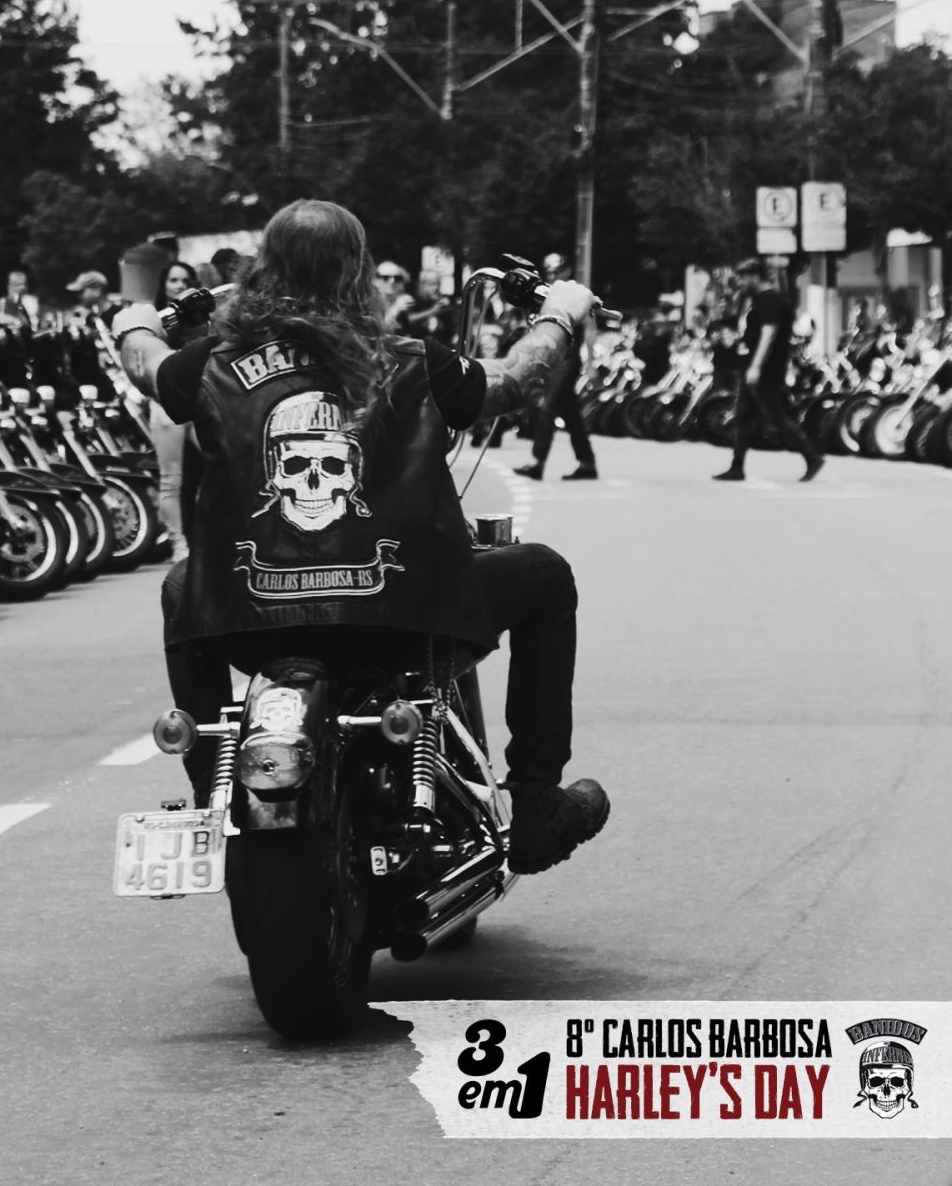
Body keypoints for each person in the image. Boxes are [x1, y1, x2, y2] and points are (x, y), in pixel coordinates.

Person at [112, 199, 610, 876]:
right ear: (359, 272)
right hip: (400, 622)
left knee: (181, 585)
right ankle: (536, 804)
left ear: (262, 270)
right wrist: (559, 314)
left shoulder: (211, 364)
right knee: (545, 576)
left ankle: (212, 791)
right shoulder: (412, 360)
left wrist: (135, 322)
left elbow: (146, 364)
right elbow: (516, 380)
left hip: (252, 626)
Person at [713, 256, 824, 484]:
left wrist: (756, 366)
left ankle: (812, 457)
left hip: (766, 371)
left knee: (776, 416)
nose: (741, 283)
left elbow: (769, 333)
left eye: (744, 278)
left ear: (755, 276)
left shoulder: (771, 300)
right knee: (743, 417)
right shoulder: (759, 300)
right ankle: (736, 467)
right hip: (751, 368)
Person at [515, 254, 598, 482]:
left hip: (567, 359)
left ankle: (538, 462)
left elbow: (590, 330)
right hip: (550, 358)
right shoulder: (544, 294)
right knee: (571, 414)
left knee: (547, 406)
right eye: (549, 272)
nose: (552, 276)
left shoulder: (575, 295)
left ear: (566, 271)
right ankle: (587, 462)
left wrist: (591, 363)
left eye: (556, 271)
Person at [146, 260, 203, 563]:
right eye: (173, 280)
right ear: (163, 285)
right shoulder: (154, 318)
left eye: (185, 280)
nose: (180, 285)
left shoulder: (205, 316)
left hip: (202, 400)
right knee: (172, 478)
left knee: (224, 463)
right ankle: (179, 544)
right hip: (165, 401)